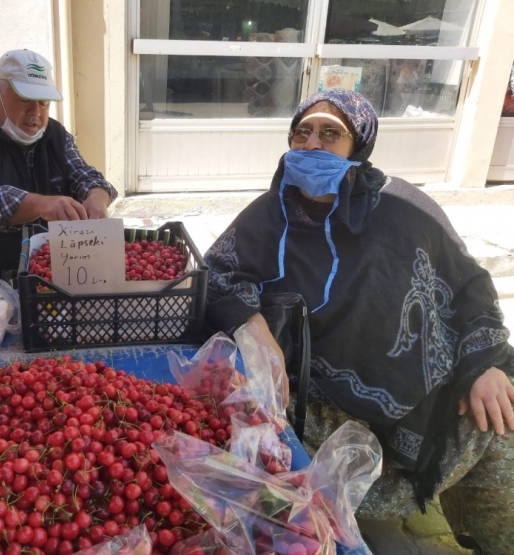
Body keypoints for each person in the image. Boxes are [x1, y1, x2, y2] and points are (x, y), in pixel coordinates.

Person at [204, 88, 514, 554]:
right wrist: (255, 327)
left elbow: (470, 285)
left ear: (358, 146)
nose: (312, 145)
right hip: (311, 392)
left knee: (500, 418)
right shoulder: (273, 212)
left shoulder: (404, 209)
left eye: (331, 134)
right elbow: (217, 272)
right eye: (302, 133)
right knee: (251, 439)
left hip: (416, 390)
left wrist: (486, 363)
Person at [0, 49, 118, 289]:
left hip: (47, 262)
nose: (35, 112)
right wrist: (43, 205)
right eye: (24, 99)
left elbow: (85, 175)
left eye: (44, 103)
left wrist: (97, 198)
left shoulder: (57, 136)